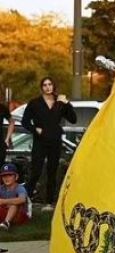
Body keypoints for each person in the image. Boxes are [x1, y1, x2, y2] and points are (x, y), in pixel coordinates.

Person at [21, 76, 76, 210]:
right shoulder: (34, 103)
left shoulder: (60, 102)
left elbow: (73, 119)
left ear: (53, 86)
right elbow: (25, 121)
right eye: (45, 85)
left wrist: (67, 103)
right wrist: (36, 129)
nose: (47, 87)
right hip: (40, 141)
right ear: (41, 88)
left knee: (52, 171)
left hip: (55, 141)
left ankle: (49, 203)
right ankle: (24, 200)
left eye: (50, 84)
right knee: (36, 171)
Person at [0, 163, 29, 229]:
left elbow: (22, 199)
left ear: (16, 177)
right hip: (5, 211)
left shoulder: (19, 187)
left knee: (14, 205)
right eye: (4, 176)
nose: (6, 178)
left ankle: (6, 222)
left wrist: (3, 201)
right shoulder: (1, 188)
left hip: (20, 214)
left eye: (10, 175)